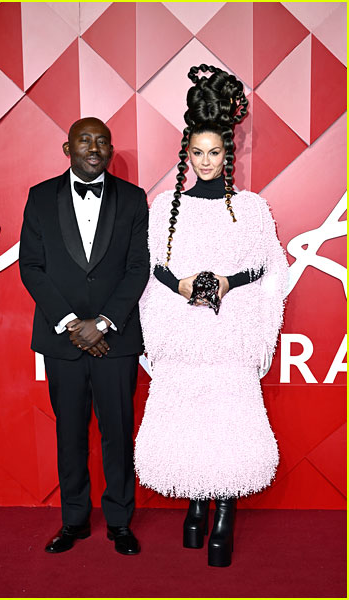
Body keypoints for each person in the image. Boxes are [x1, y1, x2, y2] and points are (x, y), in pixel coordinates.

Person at [134, 65, 289, 567]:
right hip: (182, 335)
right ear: (188, 153)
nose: (206, 162)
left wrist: (228, 283)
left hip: (229, 335)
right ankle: (195, 505)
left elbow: (268, 268)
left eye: (215, 153)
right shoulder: (164, 208)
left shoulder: (252, 209)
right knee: (189, 422)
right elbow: (151, 269)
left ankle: (223, 513)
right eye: (198, 153)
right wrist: (179, 285)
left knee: (228, 423)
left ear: (229, 153)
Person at [19, 117, 149, 556]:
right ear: (67, 148)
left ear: (110, 151)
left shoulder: (133, 199)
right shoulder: (40, 198)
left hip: (117, 338)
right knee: (70, 432)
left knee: (118, 431)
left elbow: (137, 268)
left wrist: (105, 322)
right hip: (63, 340)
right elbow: (31, 267)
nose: (94, 147)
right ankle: (73, 520)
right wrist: (73, 323)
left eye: (102, 141)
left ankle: (119, 521)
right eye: (84, 140)